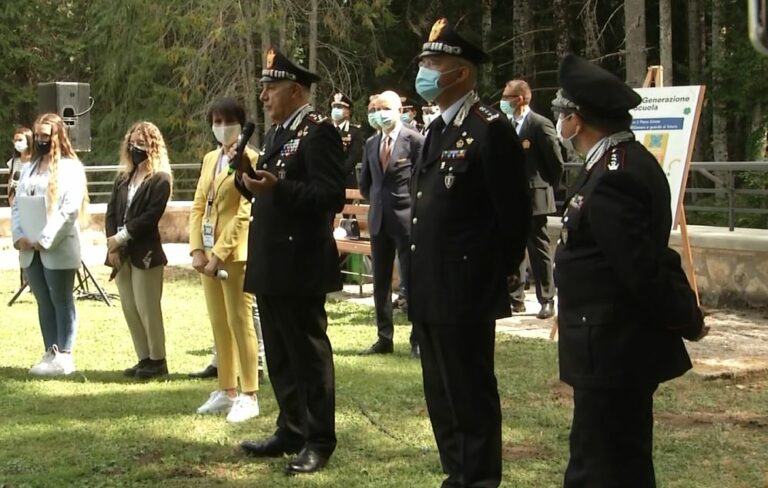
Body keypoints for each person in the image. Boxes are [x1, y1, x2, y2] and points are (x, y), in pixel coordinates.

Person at [552, 54, 707, 487]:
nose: (559, 122)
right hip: (603, 342)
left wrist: (686, 318)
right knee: (611, 457)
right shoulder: (613, 163)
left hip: (613, 344)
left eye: (562, 113)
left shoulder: (617, 172)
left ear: (577, 120)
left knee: (602, 464)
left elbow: (641, 267)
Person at [408, 19, 531, 487]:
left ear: (460, 73)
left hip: (465, 287)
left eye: (432, 64)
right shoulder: (438, 128)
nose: (423, 72)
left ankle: (478, 479)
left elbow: (512, 216)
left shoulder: (489, 129)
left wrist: (488, 275)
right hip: (431, 284)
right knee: (440, 391)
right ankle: (456, 475)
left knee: (469, 391)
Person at [235, 47, 345, 475]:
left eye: (271, 87)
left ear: (295, 90)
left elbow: (328, 196)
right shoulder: (280, 133)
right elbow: (270, 196)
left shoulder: (318, 132)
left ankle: (319, 439)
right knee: (279, 354)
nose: (263, 96)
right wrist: (248, 182)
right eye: (262, 88)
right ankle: (291, 427)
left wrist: (277, 188)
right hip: (271, 261)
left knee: (307, 355)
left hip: (300, 262)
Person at [189, 97, 261, 422]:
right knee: (218, 322)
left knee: (239, 321)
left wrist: (218, 254)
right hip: (207, 257)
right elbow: (198, 205)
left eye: (226, 121)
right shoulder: (209, 159)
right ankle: (226, 388)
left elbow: (244, 213)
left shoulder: (251, 158)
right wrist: (197, 250)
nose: (221, 127)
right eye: (215, 121)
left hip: (234, 255)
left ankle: (249, 393)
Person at [12, 113, 89, 376]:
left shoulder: (71, 168)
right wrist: (19, 236)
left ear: (57, 137)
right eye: (39, 136)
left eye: (46, 136)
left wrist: (45, 239)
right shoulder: (29, 168)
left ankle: (65, 355)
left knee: (61, 299)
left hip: (56, 247)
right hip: (29, 249)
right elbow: (17, 205)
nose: (41, 141)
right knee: (43, 300)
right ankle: (50, 350)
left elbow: (68, 211)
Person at [358, 90, 423, 358]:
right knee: (381, 282)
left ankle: (417, 339)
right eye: (373, 109)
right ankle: (384, 337)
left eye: (383, 108)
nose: (377, 113)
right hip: (379, 220)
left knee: (412, 280)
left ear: (398, 110)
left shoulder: (415, 141)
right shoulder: (372, 143)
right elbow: (365, 184)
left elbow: (422, 181)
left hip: (406, 220)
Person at [105, 121, 172, 380]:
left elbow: (149, 217)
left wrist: (120, 238)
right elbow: (111, 211)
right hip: (121, 253)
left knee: (148, 307)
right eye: (132, 142)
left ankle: (158, 360)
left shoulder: (160, 180)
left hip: (145, 252)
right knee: (129, 307)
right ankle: (143, 357)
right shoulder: (123, 179)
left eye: (141, 144)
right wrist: (112, 243)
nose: (136, 148)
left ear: (153, 147)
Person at [501, 80, 564, 319]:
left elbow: (555, 162)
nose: (504, 101)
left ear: (521, 99)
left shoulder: (539, 124)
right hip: (510, 199)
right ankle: (516, 298)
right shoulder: (505, 124)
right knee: (513, 250)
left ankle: (546, 299)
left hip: (534, 196)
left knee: (538, 250)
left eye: (508, 97)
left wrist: (547, 188)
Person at [331, 92, 364, 189]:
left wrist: (337, 172)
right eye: (334, 106)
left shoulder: (354, 131)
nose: (336, 110)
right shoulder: (324, 129)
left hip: (345, 180)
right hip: (324, 180)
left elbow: (354, 157)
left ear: (348, 112)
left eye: (340, 107)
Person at [7, 127, 33, 206]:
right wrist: (11, 201)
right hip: (17, 202)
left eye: (20, 140)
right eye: (15, 140)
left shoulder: (36, 161)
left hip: (32, 201)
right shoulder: (13, 161)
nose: (17, 143)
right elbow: (10, 183)